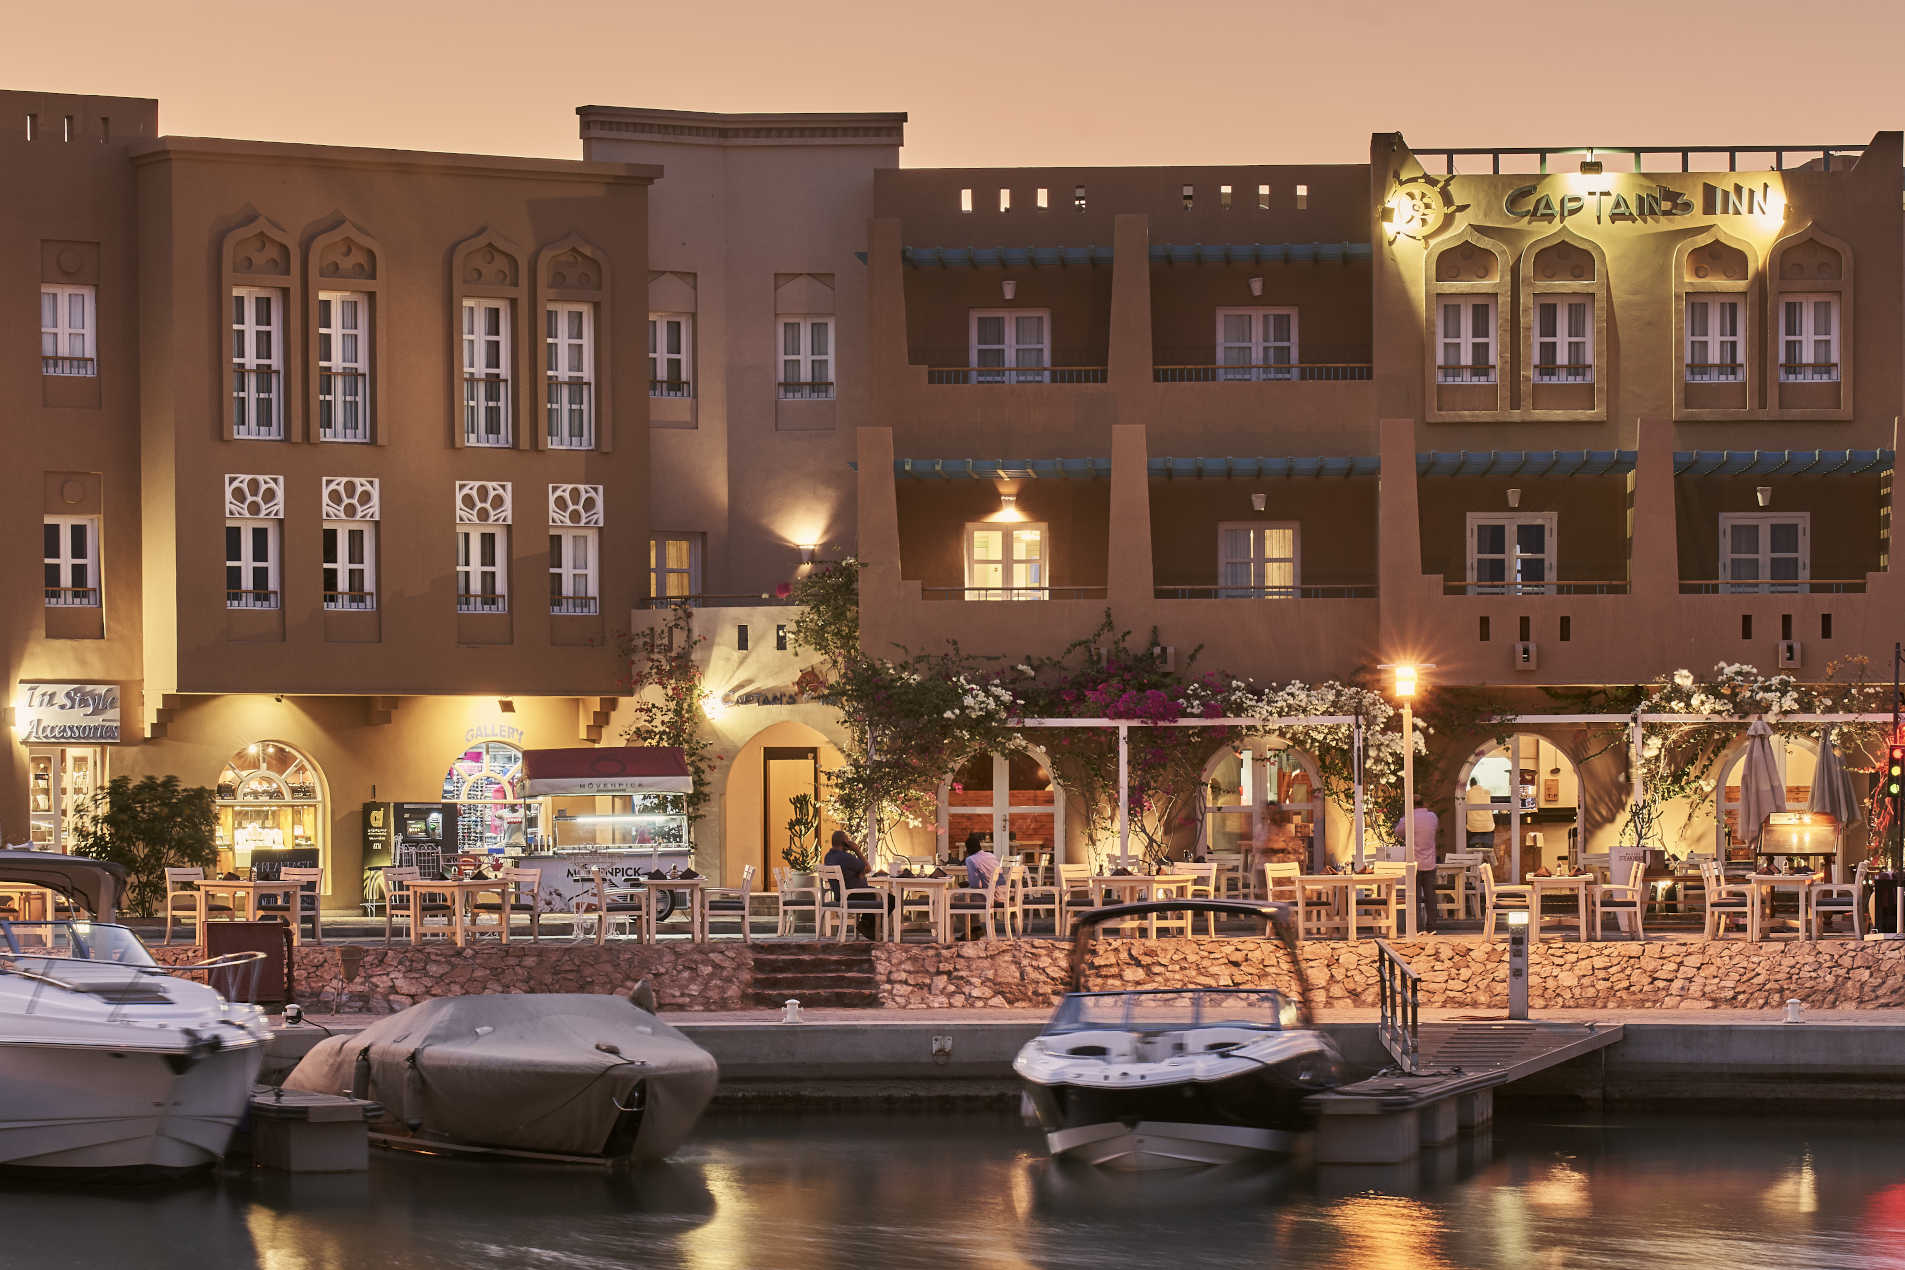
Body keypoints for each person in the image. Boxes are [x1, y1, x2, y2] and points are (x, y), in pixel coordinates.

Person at [1391, 794, 1440, 934]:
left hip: (1414, 863)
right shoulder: (1432, 817)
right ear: (1423, 803)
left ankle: (1416, 927)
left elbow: (1398, 832)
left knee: (1414, 897)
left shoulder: (1408, 819)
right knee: (1430, 896)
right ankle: (1432, 926)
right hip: (1430, 862)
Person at [823, 829, 879, 938]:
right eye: (848, 840)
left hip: (840, 895)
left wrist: (859, 874)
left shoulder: (828, 856)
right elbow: (868, 868)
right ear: (845, 842)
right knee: (885, 897)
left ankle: (866, 925)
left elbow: (856, 871)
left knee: (875, 893)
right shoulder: (846, 857)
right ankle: (867, 926)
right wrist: (857, 850)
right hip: (852, 895)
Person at [1465, 779, 1497, 856]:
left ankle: (1472, 863)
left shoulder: (1467, 793)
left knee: (1471, 852)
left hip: (1473, 829)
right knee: (1488, 852)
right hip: (1488, 827)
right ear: (1478, 784)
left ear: (1470, 785)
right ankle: (1489, 864)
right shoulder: (1487, 792)